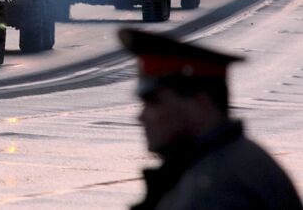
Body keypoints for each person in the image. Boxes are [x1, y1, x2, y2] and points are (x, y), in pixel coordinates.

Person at [118, 28, 303, 210]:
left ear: (200, 104)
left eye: (154, 103)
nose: (141, 117)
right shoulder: (222, 166)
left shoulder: (216, 190)